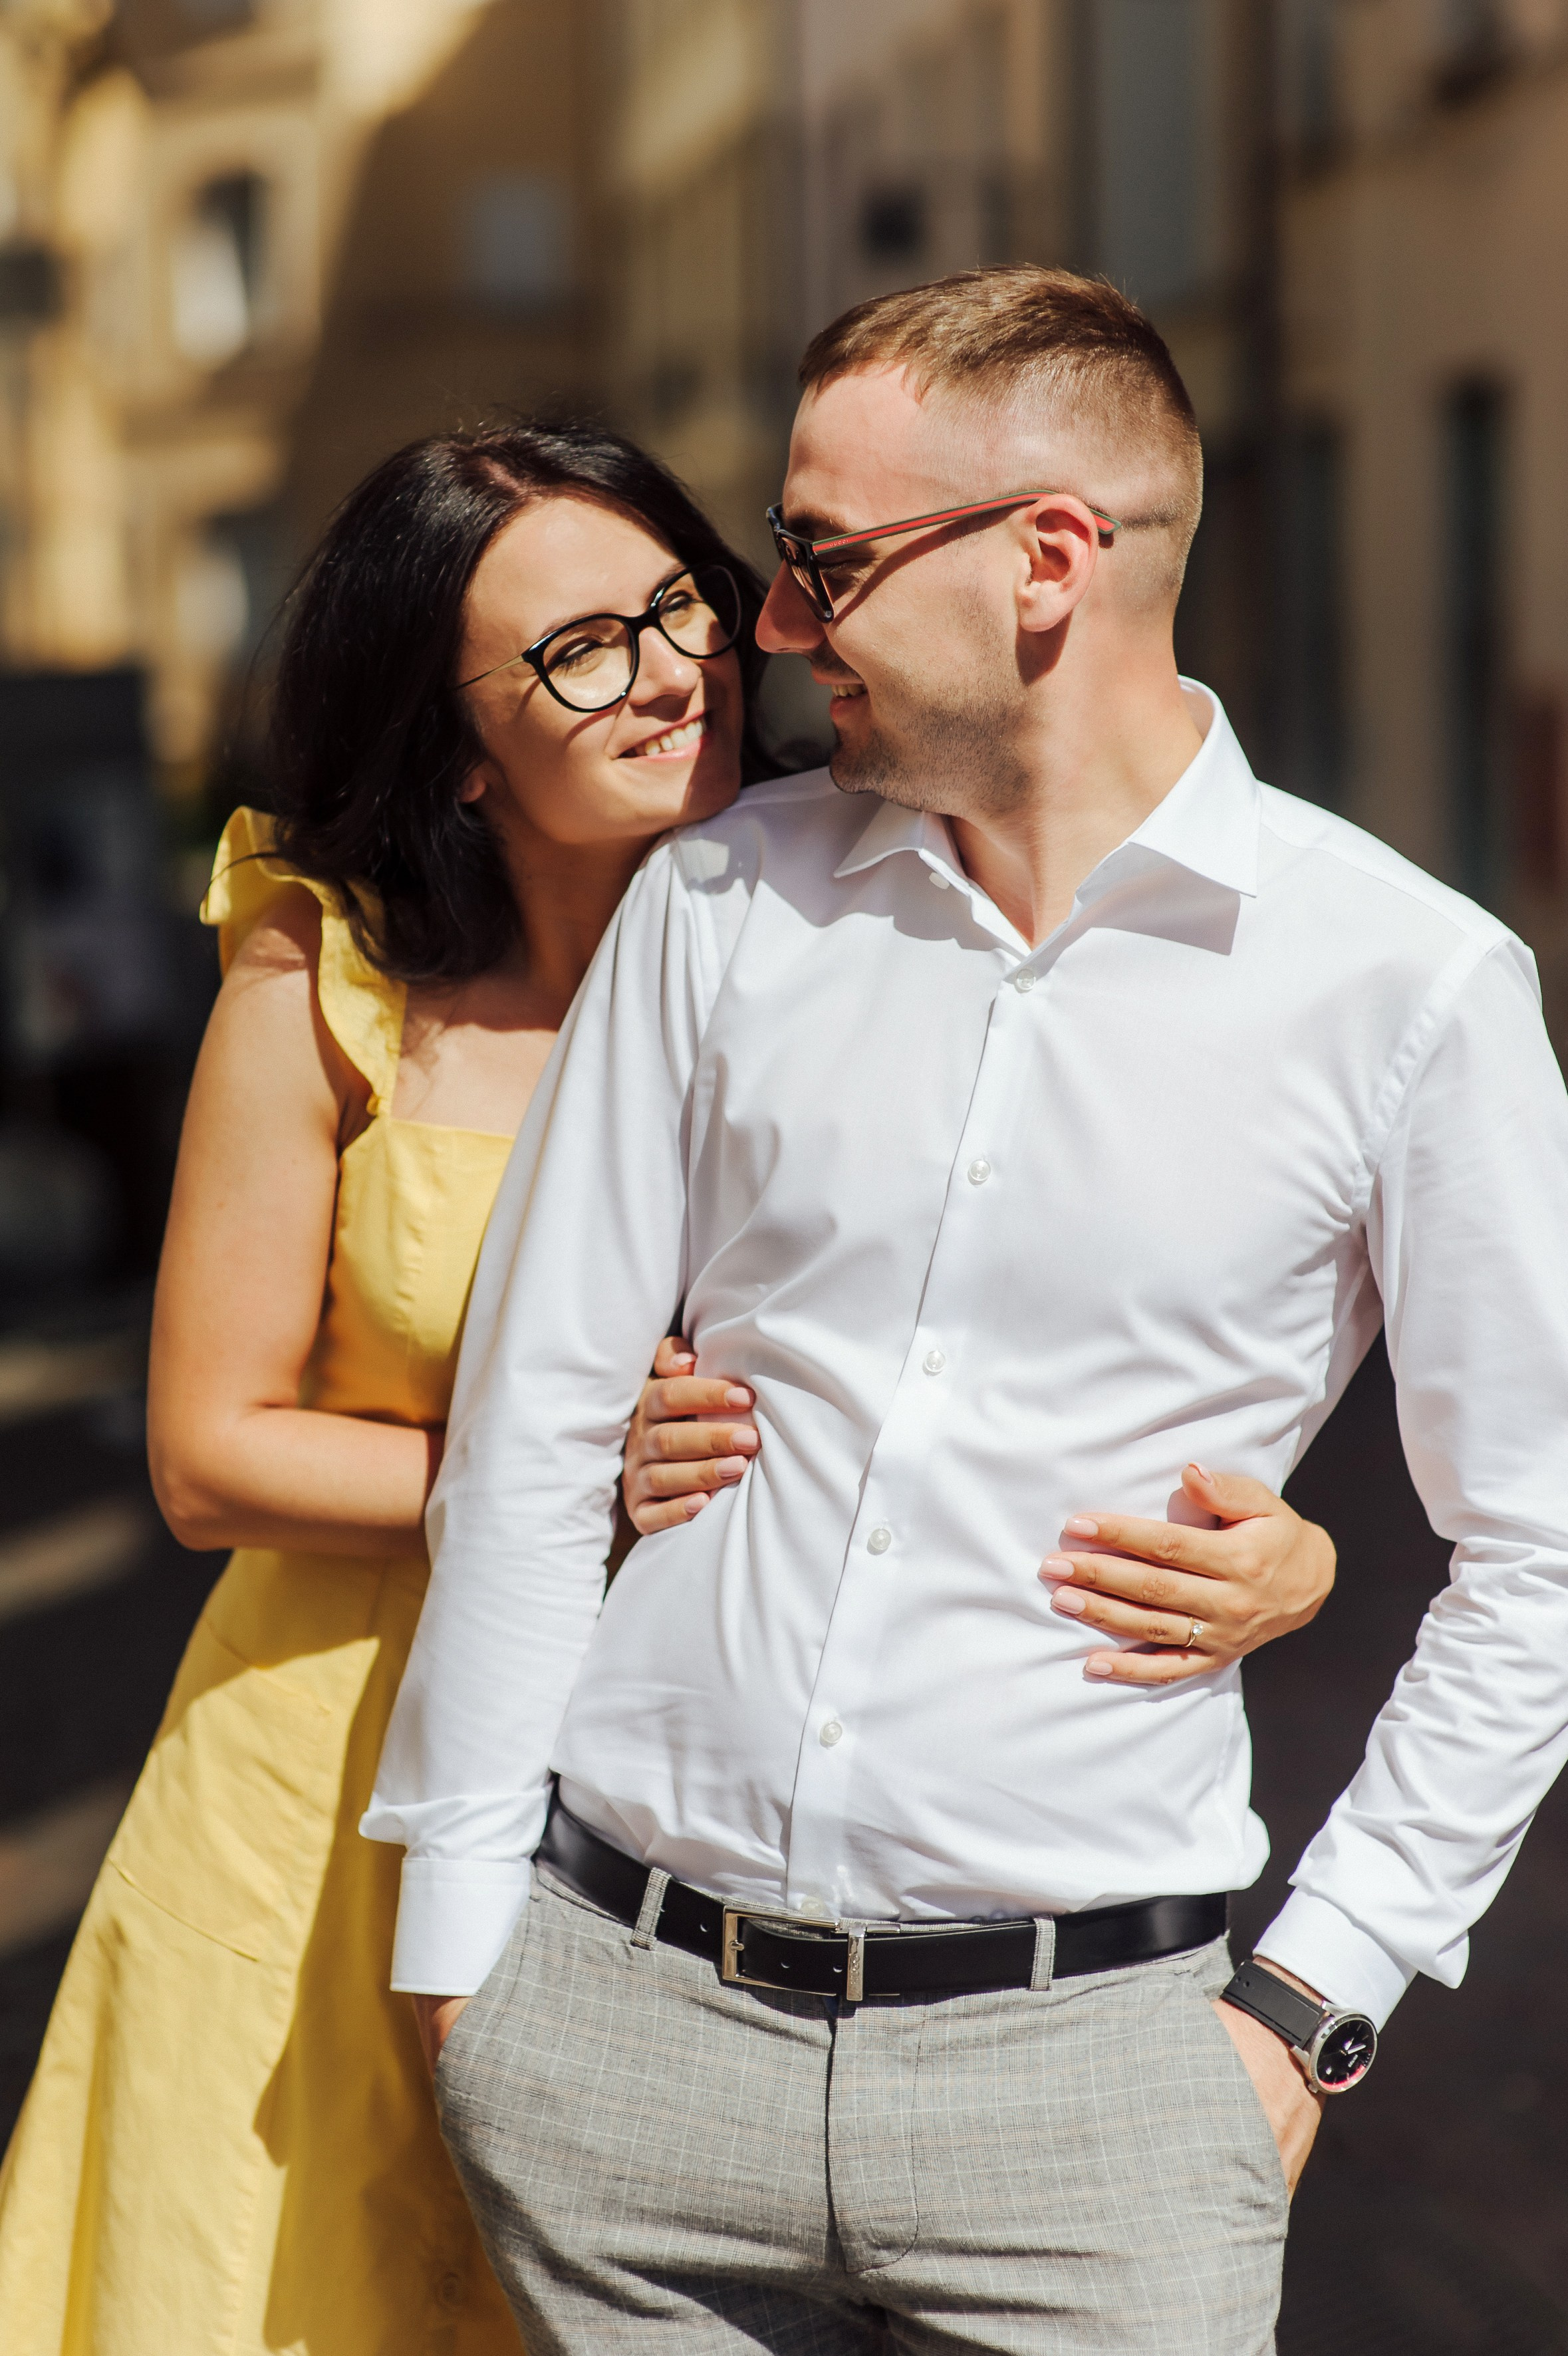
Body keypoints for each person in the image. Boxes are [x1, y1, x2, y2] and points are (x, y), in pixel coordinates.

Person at [0, 412, 1328, 2355]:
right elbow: (207, 1455)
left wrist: (1283, 1549)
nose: (676, 673)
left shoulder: (883, 914)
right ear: (455, 741)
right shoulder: (333, 975)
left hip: (688, 1821)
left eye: (681, 606)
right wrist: (554, 1474)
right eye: (577, 651)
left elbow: (1078, 1300)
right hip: (332, 1773)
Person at [366, 267, 1568, 2355]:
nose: (772, 627)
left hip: (1100, 2108)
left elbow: (1540, 1547)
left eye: (821, 559)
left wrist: (1313, 2001)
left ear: (1050, 560)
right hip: (616, 2058)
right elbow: (542, 1423)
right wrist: (465, 1963)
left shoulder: (1410, 988)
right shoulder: (722, 902)